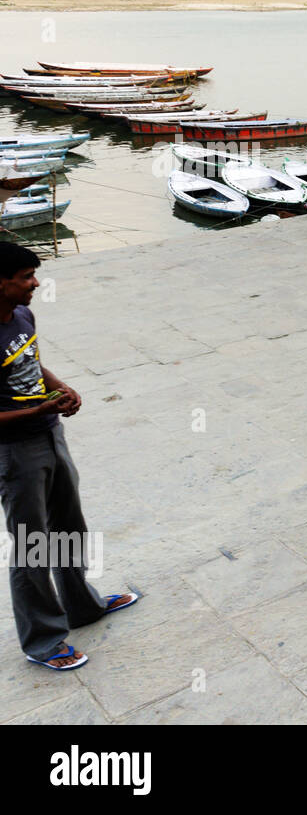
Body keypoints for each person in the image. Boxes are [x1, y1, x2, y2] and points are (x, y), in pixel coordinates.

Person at [0, 243, 139, 670]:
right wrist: (33, 411)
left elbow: (32, 361)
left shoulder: (21, 316)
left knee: (68, 525)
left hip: (49, 434)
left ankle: (82, 606)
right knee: (32, 544)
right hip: (15, 451)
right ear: (0, 282)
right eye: (26, 277)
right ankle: (42, 640)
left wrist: (61, 388)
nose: (35, 284)